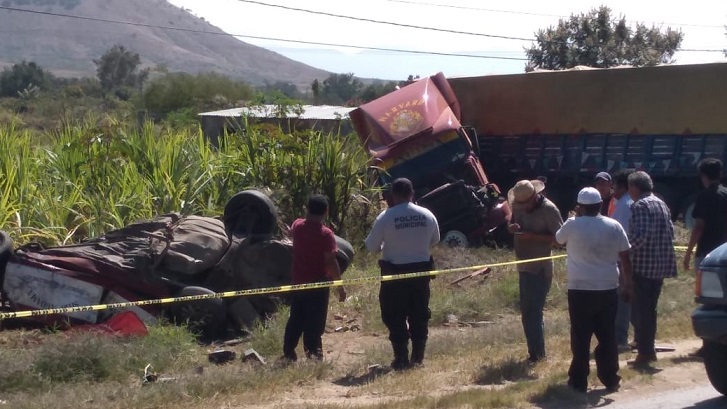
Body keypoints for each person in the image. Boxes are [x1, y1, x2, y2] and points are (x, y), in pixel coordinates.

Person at [556, 187, 633, 393]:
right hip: (608, 287)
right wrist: (627, 285)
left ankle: (579, 380)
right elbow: (625, 257)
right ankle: (610, 377)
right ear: (600, 205)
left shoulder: (572, 225)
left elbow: (558, 239)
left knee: (581, 336)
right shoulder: (613, 225)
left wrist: (573, 217)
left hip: (580, 288)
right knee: (607, 335)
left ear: (580, 207)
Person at [365, 178, 440, 370]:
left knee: (394, 315)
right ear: (412, 193)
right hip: (421, 273)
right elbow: (435, 239)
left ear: (393, 195)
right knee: (419, 314)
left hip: (394, 275)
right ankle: (418, 357)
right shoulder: (427, 215)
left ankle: (400, 358)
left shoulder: (386, 217)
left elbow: (371, 246)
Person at [282, 195, 347, 362]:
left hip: (298, 282)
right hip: (318, 284)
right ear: (326, 211)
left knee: (296, 318)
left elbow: (290, 233)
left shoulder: (297, 225)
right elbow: (330, 261)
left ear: (307, 208)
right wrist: (340, 286)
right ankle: (314, 357)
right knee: (314, 322)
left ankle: (289, 352)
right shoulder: (326, 234)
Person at [507, 179, 563, 363]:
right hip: (523, 265)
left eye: (524, 204)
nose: (521, 207)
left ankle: (538, 355)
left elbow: (560, 240)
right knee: (526, 312)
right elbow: (513, 221)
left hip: (540, 268)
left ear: (535, 196)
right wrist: (511, 227)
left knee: (534, 311)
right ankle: (534, 352)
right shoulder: (517, 205)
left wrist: (534, 237)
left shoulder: (549, 210)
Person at [627, 171, 677, 367]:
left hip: (643, 266)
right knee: (649, 310)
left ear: (634, 187)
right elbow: (671, 232)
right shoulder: (660, 202)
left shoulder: (640, 205)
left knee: (642, 312)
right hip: (659, 265)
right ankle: (648, 350)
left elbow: (641, 235)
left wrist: (623, 250)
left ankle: (645, 353)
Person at [684, 158, 727, 272]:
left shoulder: (704, 196)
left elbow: (699, 227)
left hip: (707, 251)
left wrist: (688, 253)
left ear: (703, 176)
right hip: (724, 251)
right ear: (720, 174)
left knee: (706, 287)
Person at [611, 170, 635, 352]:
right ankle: (641, 337)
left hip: (623, 259)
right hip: (632, 258)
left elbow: (619, 235)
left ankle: (621, 339)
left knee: (623, 300)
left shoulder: (624, 205)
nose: (613, 190)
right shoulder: (631, 202)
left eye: (615, 186)